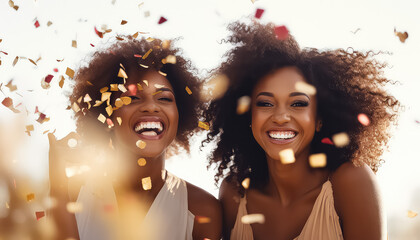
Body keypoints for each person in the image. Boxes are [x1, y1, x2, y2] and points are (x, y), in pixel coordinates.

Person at [204, 21, 399, 240]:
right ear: (247, 117)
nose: (280, 117)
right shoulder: (234, 194)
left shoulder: (351, 182)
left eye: (298, 104)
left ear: (319, 119)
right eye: (265, 104)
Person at [49, 36, 222, 240]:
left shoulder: (201, 208)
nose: (151, 106)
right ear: (107, 117)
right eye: (132, 97)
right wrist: (58, 191)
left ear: (180, 114)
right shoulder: (73, 193)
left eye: (164, 98)